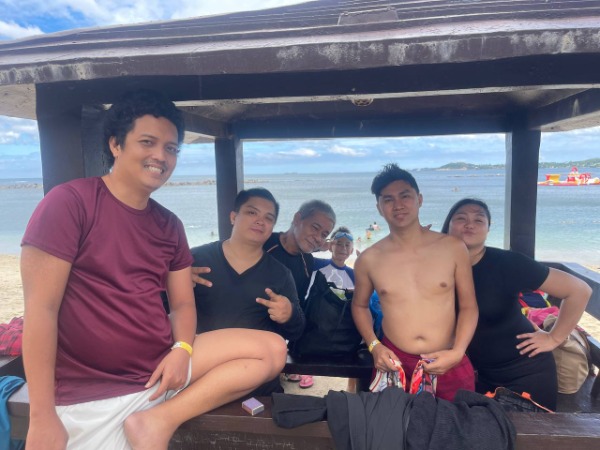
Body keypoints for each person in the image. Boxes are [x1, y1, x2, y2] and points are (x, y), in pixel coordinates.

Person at [21, 90, 287, 450]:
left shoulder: (169, 225)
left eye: (171, 148)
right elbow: (41, 310)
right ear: (116, 144)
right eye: (147, 142)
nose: (161, 156)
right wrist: (41, 416)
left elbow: (182, 304)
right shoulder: (71, 203)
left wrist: (182, 349)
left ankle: (157, 422)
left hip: (161, 369)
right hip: (93, 391)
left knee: (271, 349)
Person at [441, 198, 591, 410]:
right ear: (448, 225)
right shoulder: (436, 266)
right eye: (461, 218)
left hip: (524, 373)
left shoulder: (508, 264)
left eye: (479, 219)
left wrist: (553, 338)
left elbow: (579, 290)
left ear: (487, 229)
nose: (469, 224)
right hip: (474, 374)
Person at [352, 163, 478, 401]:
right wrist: (374, 346)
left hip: (448, 359)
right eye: (388, 199)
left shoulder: (452, 248)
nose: (398, 205)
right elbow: (359, 306)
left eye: (405, 196)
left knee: (456, 423)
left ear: (419, 199)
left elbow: (469, 306)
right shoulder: (369, 259)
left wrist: (458, 351)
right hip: (394, 363)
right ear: (379, 208)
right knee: (393, 424)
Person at [192, 199, 336, 390]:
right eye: (314, 228)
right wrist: (179, 277)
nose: (318, 237)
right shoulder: (262, 243)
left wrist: (290, 313)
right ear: (297, 219)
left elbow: (296, 318)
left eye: (324, 234)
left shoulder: (306, 262)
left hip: (262, 356)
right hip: (215, 350)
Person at [314, 226, 358, 391]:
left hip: (342, 324)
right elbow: (301, 254)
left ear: (351, 250)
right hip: (318, 322)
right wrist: (320, 246)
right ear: (330, 246)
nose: (343, 248)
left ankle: (352, 384)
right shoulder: (317, 265)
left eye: (347, 245)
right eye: (338, 243)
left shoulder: (354, 274)